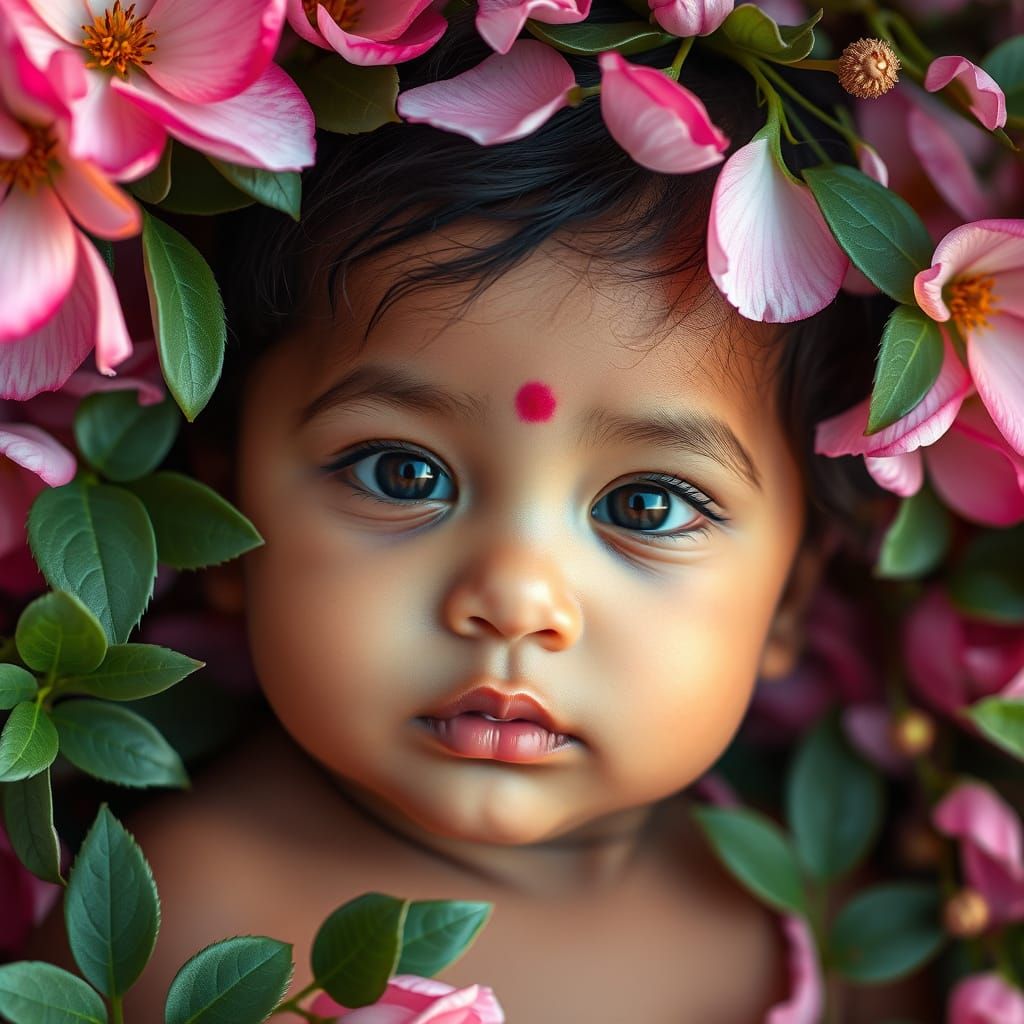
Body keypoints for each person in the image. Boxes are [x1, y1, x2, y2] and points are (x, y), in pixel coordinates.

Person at [30, 15, 924, 1022]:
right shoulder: (180, 935)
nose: (513, 598)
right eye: (402, 473)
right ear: (227, 508)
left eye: (645, 504)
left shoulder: (838, 924)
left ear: (793, 592)